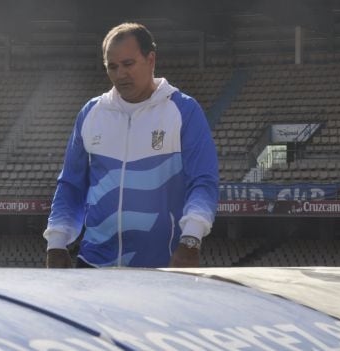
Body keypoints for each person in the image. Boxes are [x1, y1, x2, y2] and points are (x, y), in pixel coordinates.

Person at [44, 22, 219, 268]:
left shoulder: (184, 110)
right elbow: (71, 185)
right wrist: (56, 243)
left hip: (161, 265)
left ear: (151, 59)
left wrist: (191, 239)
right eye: (112, 67)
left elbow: (203, 181)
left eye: (128, 64)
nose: (120, 74)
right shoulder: (91, 113)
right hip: (94, 264)